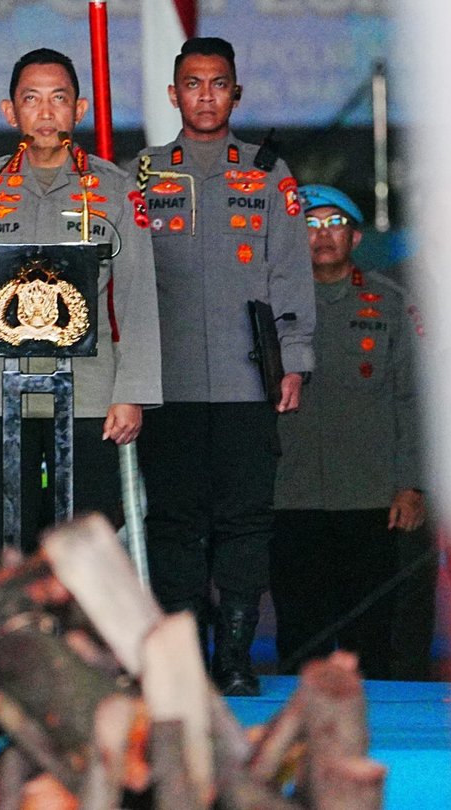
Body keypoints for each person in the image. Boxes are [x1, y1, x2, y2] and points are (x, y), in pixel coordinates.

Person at [0, 48, 161, 552]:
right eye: (31, 99)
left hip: (91, 395)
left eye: (59, 98)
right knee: (0, 540)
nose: (46, 112)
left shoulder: (114, 190)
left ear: (80, 109)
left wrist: (132, 392)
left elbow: (137, 298)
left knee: (88, 544)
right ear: (10, 111)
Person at [133, 36, 314, 696]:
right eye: (193, 83)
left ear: (235, 93)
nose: (205, 96)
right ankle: (184, 657)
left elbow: (289, 271)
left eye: (217, 84)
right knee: (173, 525)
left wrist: (295, 360)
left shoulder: (268, 173)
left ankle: (235, 657)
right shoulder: (142, 175)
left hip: (248, 378)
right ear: (173, 94)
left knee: (245, 523)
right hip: (167, 382)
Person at [270, 184, 426, 678]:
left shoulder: (390, 303)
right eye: (310, 225)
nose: (323, 235)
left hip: (369, 496)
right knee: (300, 634)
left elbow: (412, 398)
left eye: (334, 224)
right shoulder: (268, 303)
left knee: (371, 637)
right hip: (290, 493)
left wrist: (412, 484)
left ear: (355, 238)